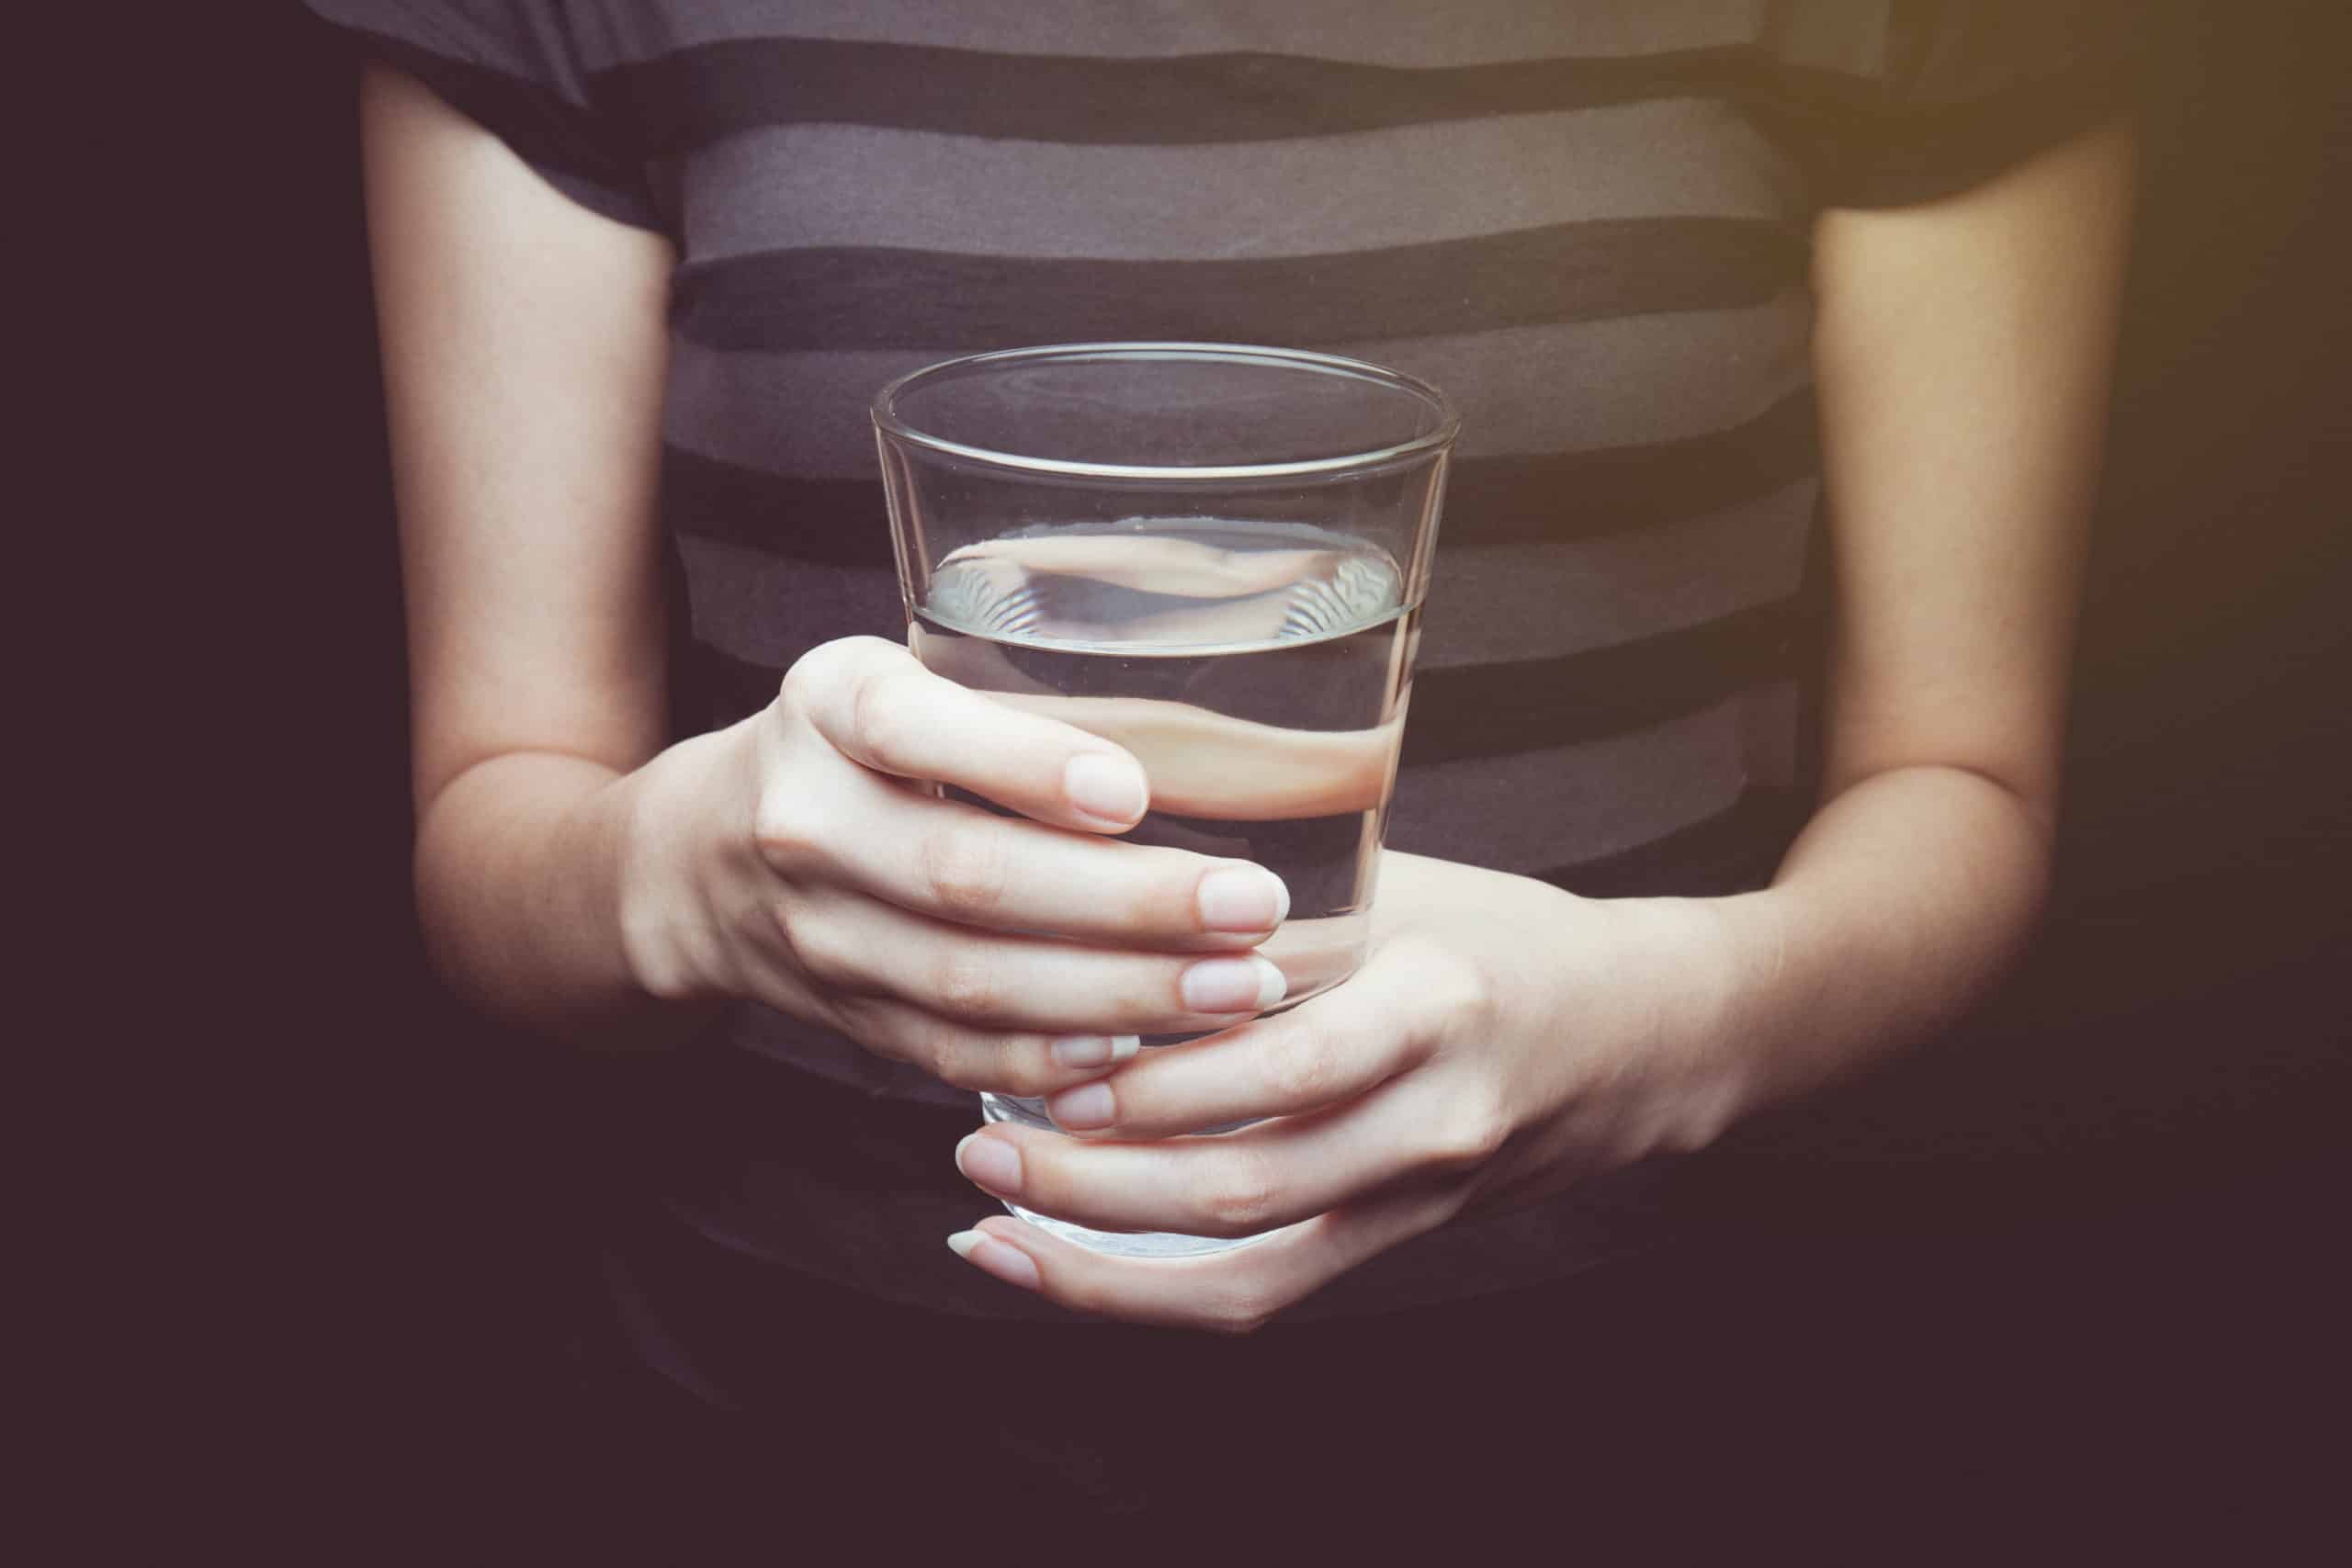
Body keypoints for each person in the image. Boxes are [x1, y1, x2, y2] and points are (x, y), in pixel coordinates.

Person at [310, 0, 2138, 1522]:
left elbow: (1966, 781)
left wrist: (1683, 1020)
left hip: (1624, 1437)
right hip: (782, 1440)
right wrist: (675, 874)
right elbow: (497, 825)